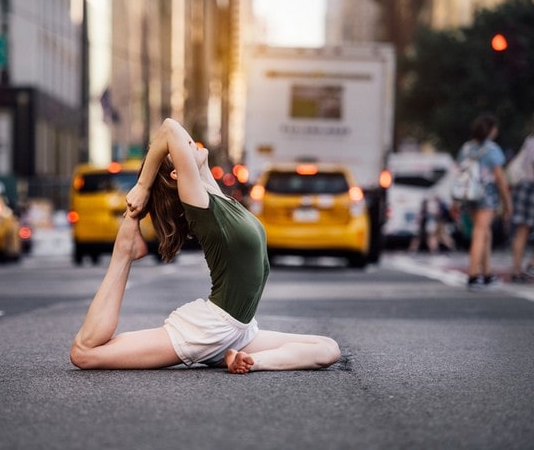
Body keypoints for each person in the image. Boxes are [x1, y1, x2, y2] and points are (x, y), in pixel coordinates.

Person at [70, 118, 341, 373]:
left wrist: (249, 358)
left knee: (328, 349)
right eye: (185, 149)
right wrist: (142, 186)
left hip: (240, 331)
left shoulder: (212, 191)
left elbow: (177, 136)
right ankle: (124, 251)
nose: (191, 143)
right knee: (85, 353)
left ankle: (248, 361)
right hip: (210, 328)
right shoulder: (200, 204)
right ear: (179, 172)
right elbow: (169, 128)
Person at [455, 113, 512, 291]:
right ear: (491, 130)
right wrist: (507, 202)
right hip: (486, 194)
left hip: (469, 194)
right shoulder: (492, 150)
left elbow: (459, 173)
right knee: (481, 232)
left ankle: (487, 274)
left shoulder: (465, 148)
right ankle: (473, 275)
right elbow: (500, 179)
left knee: (485, 232)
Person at [510, 110, 534, 283]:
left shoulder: (530, 141)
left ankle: (520, 269)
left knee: (522, 230)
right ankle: (532, 266)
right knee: (524, 229)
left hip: (527, 187)